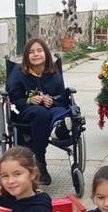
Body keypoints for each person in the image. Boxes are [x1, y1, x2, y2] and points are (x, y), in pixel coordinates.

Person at [6, 38, 70, 186]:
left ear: (46, 53)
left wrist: (51, 100)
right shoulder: (19, 73)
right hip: (24, 110)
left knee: (63, 111)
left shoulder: (53, 73)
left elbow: (62, 98)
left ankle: (60, 128)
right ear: (26, 56)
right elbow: (12, 100)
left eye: (39, 51)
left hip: (51, 109)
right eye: (31, 52)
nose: (36, 54)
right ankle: (40, 159)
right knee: (42, 113)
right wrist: (29, 100)